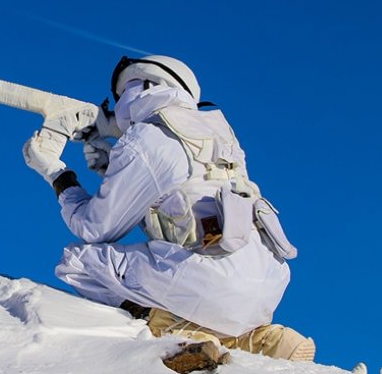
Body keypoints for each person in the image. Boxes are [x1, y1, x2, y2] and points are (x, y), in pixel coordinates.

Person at [22, 55, 315, 361]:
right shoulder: (220, 135)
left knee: (78, 263)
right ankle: (262, 339)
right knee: (199, 284)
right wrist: (113, 166)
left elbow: (94, 228)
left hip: (209, 283)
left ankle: (178, 332)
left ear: (139, 88)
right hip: (265, 286)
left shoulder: (146, 137)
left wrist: (56, 173)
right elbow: (180, 203)